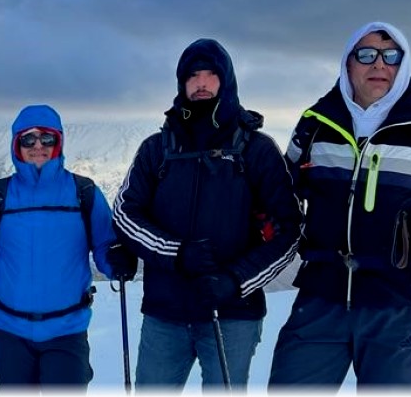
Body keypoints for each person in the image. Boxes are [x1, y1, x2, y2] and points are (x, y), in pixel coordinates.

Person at [267, 21, 411, 388]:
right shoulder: (315, 124)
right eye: (366, 55)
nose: (379, 65)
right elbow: (281, 193)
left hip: (398, 300)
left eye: (391, 56)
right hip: (322, 295)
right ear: (348, 63)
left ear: (404, 65)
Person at [112, 38, 302, 390]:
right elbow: (125, 213)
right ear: (181, 83)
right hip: (165, 312)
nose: (201, 83)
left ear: (225, 80)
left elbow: (290, 231)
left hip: (233, 315)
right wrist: (177, 252)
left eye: (210, 74)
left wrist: (235, 281)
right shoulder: (158, 148)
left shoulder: (255, 149)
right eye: (192, 75)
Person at [0, 105, 134, 390]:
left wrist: (117, 260)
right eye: (29, 139)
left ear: (58, 142)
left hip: (67, 329)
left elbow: (105, 244)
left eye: (47, 138)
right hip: (10, 330)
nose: (38, 146)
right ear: (17, 145)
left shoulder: (82, 192)